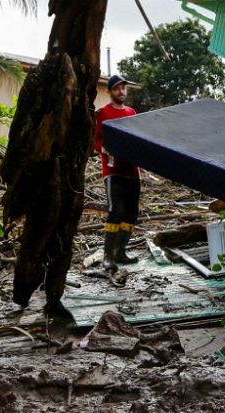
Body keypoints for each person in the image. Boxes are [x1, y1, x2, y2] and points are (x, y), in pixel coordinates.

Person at [94, 74, 141, 271]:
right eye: (117, 89)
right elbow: (95, 139)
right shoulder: (102, 113)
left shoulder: (132, 112)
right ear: (109, 91)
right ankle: (108, 256)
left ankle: (121, 251)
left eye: (123, 88)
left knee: (131, 213)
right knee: (116, 211)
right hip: (113, 171)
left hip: (132, 170)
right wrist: (104, 149)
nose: (121, 92)